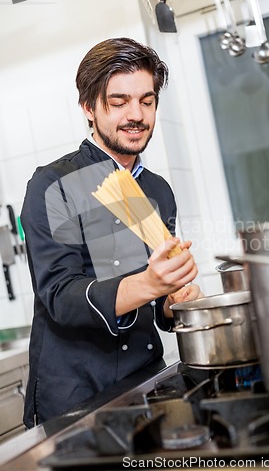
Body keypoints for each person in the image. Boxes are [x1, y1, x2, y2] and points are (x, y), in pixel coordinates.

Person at [21, 37, 203, 428]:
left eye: (147, 101)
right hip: (76, 398)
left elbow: (159, 311)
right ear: (88, 107)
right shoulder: (53, 184)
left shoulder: (157, 190)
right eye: (118, 102)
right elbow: (61, 297)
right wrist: (150, 283)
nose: (135, 114)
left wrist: (174, 297)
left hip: (145, 381)